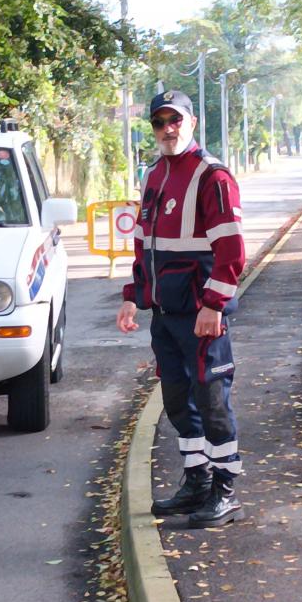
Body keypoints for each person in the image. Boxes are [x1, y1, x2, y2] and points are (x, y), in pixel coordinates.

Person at [116, 89, 245, 528]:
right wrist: (134, 295)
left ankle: (225, 491)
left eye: (175, 120)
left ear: (192, 123)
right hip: (165, 315)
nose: (167, 128)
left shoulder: (213, 176)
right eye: (159, 122)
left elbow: (231, 250)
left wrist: (215, 304)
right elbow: (144, 243)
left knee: (211, 399)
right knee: (177, 400)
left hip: (200, 313)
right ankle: (196, 482)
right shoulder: (153, 175)